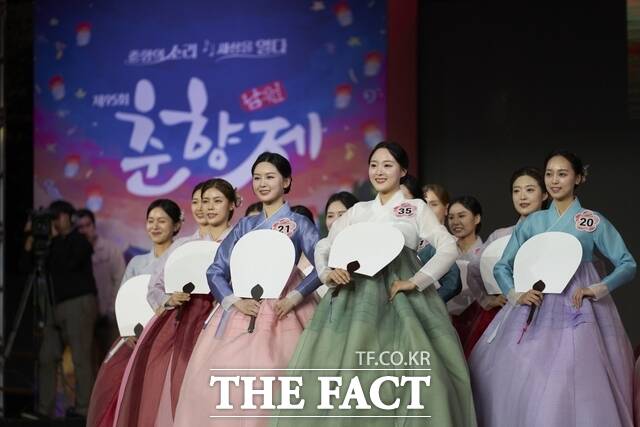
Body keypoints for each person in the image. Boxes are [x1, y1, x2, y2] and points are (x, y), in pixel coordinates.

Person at [271, 141, 477, 426]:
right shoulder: (358, 211)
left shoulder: (415, 208)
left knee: (416, 371)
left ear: (402, 171)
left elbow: (447, 247)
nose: (379, 171)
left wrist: (417, 281)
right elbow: (323, 246)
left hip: (401, 300)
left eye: (388, 165)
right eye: (374, 165)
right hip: (355, 299)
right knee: (348, 370)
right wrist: (328, 273)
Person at [470, 150, 636, 427]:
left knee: (575, 373)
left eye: (562, 174)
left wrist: (596, 288)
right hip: (536, 305)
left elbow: (627, 264)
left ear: (578, 178)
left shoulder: (590, 220)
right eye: (549, 174)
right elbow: (502, 266)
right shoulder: (533, 222)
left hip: (578, 305)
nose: (555, 180)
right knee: (527, 375)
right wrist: (516, 294)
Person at [173, 152, 320, 426]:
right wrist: (233, 301)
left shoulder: (299, 223)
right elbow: (215, 270)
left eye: (270, 177)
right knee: (220, 382)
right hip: (242, 310)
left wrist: (295, 297)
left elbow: (323, 265)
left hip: (284, 309)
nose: (262, 183)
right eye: (257, 178)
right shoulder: (245, 225)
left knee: (276, 378)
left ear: (286, 181)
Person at [114, 180, 238, 427]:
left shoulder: (239, 240)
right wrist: (170, 299)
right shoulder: (183, 246)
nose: (206, 207)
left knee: (219, 386)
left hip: (227, 320)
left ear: (232, 204)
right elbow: (155, 286)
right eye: (202, 201)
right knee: (183, 385)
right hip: (187, 323)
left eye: (215, 201)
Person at [87, 198, 182, 427]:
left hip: (169, 335)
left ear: (177, 226)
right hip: (136, 335)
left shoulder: (180, 259)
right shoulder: (137, 262)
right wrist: (128, 329)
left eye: (162, 221)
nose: (155, 226)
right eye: (151, 221)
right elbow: (124, 298)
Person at [22, 200, 98, 419]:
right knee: (46, 356)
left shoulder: (79, 240)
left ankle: (84, 410)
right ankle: (44, 410)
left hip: (78, 303)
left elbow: (67, 264)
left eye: (58, 216)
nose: (54, 221)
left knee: (80, 358)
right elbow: (25, 267)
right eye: (51, 217)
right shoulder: (47, 244)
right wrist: (30, 236)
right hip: (53, 305)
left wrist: (54, 239)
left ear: (69, 217)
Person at [462, 167, 547, 357]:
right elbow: (474, 269)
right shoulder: (501, 236)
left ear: (544, 194)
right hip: (513, 312)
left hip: (549, 311)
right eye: (516, 191)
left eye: (529, 190)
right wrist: (487, 300)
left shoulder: (555, 233)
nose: (522, 196)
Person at [76, 209, 126, 361]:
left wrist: (111, 310)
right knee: (88, 360)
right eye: (80, 227)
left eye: (87, 225)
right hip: (85, 317)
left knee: (111, 359)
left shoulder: (110, 250)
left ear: (94, 226)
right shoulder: (73, 255)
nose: (84, 230)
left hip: (109, 316)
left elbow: (120, 280)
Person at [413, 182, 462, 303]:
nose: (427, 209)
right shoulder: (410, 241)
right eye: (424, 204)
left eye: (434, 204)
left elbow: (453, 285)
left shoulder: (453, 244)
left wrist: (429, 305)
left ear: (446, 209)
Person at [445, 195, 485, 343]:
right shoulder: (442, 253)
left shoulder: (487, 253)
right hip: (445, 322)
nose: (455, 222)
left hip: (478, 322)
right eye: (451, 217)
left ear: (477, 218)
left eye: (461, 216)